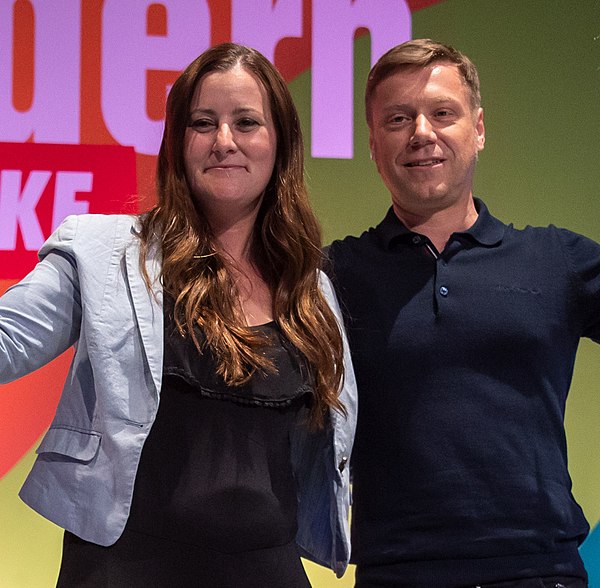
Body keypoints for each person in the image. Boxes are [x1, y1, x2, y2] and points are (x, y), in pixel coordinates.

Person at [0, 43, 356, 587]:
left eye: (246, 122)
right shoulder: (105, 252)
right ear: (177, 142)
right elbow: (8, 339)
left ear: (280, 144)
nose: (224, 141)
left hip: (269, 572)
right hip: (127, 570)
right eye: (202, 122)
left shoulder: (312, 290)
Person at [326, 38, 599, 587]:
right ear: (375, 146)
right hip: (395, 575)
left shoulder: (557, 261)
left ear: (478, 129)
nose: (421, 133)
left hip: (540, 572)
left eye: (442, 113)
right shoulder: (332, 275)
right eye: (398, 118)